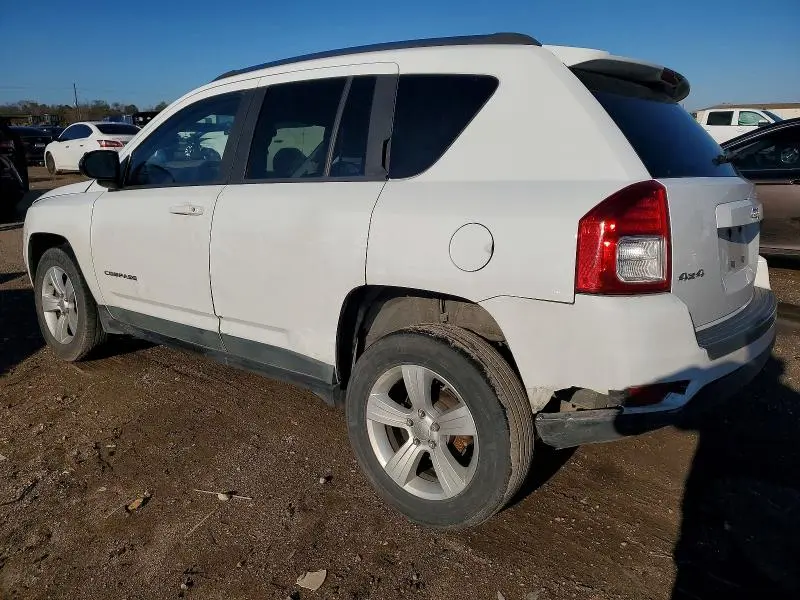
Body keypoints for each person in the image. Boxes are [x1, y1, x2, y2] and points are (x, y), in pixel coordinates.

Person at [0, 117, 29, 191]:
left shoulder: (6, 132)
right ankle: (24, 187)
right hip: (15, 157)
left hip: (11, 157)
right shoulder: (10, 132)